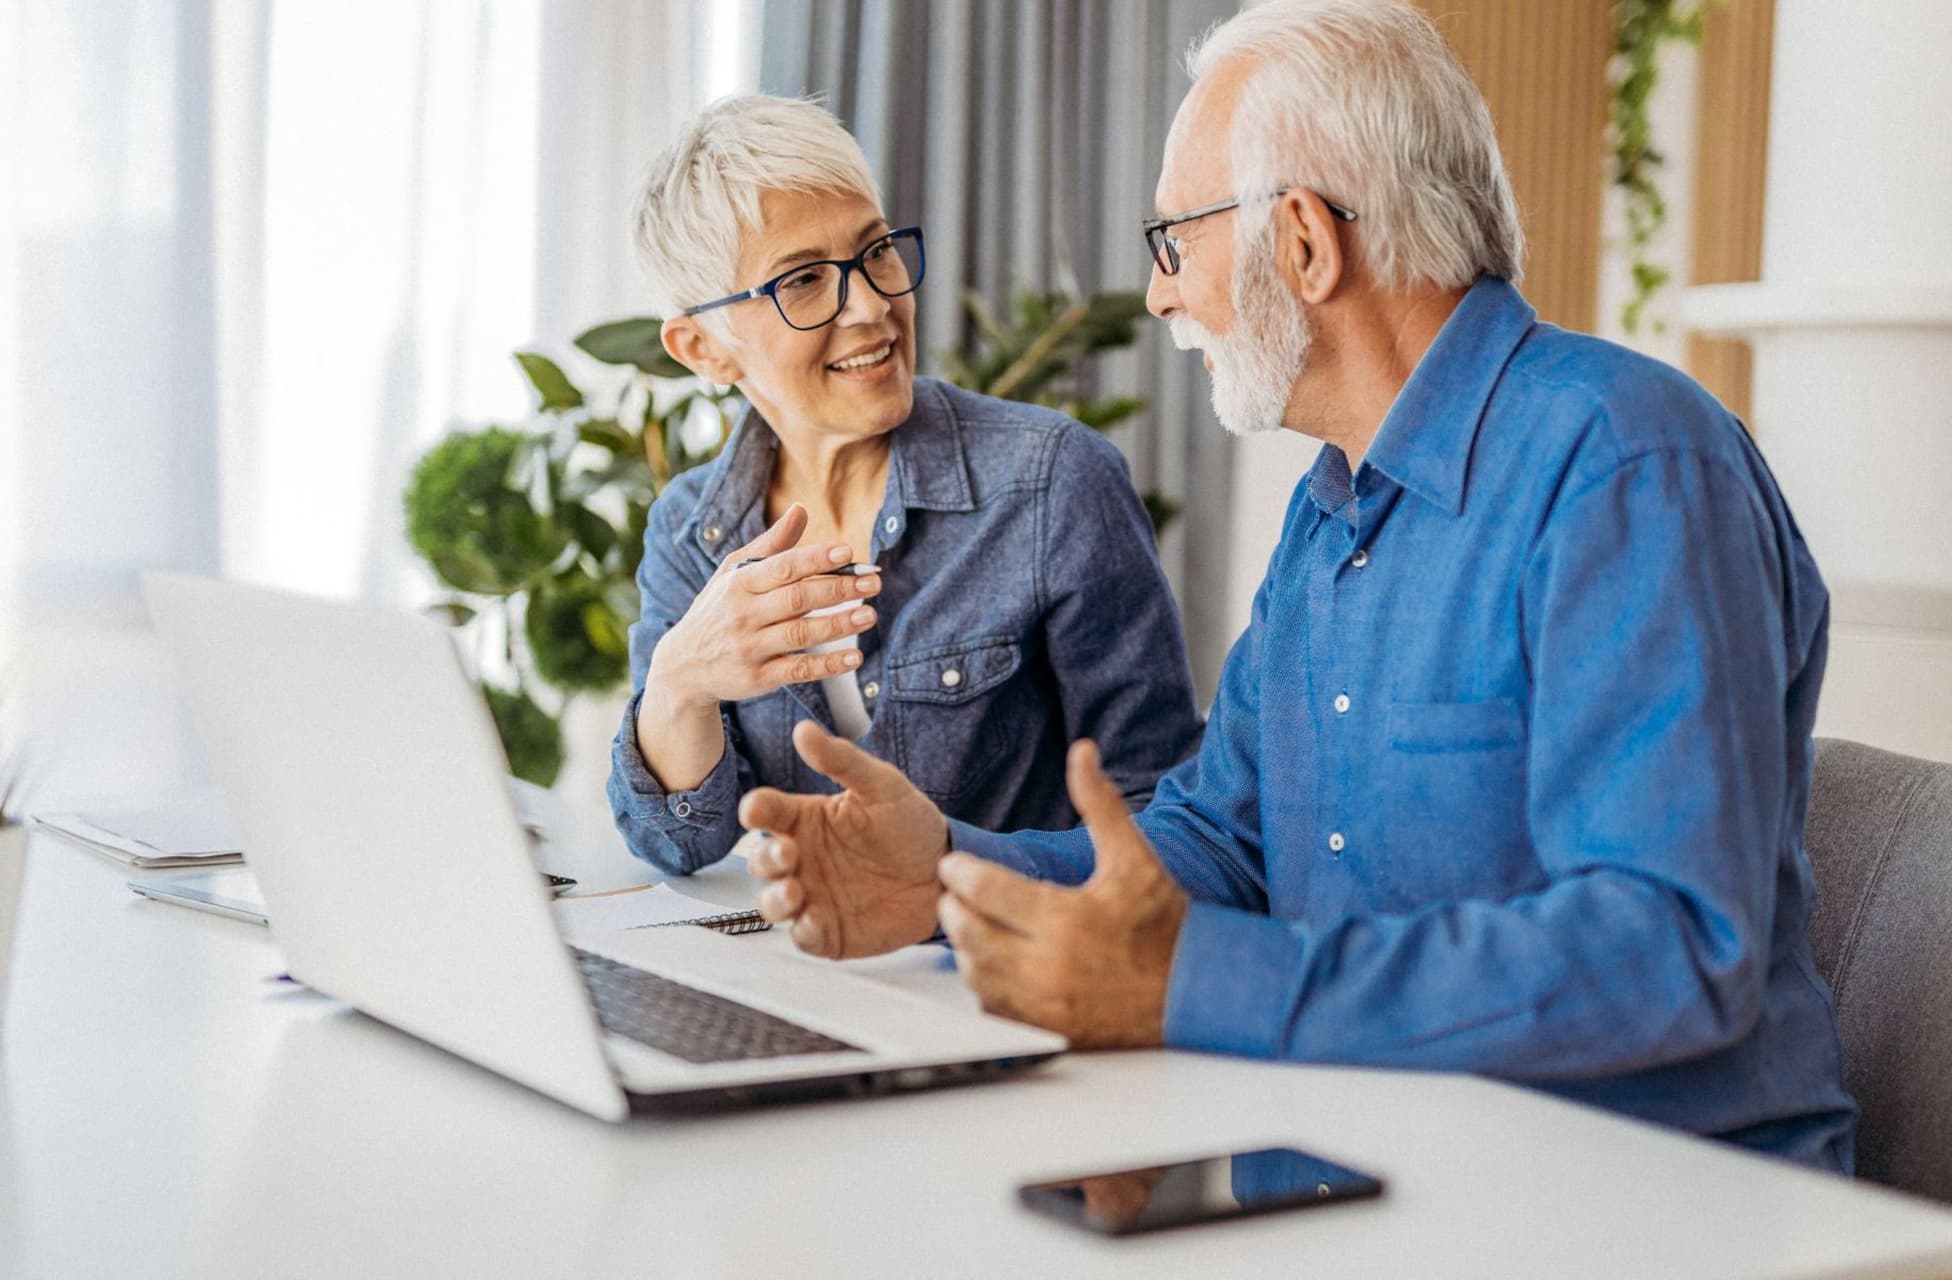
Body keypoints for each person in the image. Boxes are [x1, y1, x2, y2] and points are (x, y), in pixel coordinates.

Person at [739, 1, 1858, 1173]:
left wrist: (1190, 981)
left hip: (1628, 1198)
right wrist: (944, 872)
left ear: (1305, 242)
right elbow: (1224, 842)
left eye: (1172, 239)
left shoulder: (1625, 465)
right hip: (1352, 1174)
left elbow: (1664, 947)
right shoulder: (1328, 510)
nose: (1160, 295)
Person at [608, 95, 1204, 876]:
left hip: (999, 948)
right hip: (798, 946)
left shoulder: (1052, 482)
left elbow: (1163, 821)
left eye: (877, 251)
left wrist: (948, 880)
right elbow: (679, 843)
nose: (871, 305)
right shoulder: (691, 532)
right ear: (702, 349)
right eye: (804, 280)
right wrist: (679, 682)